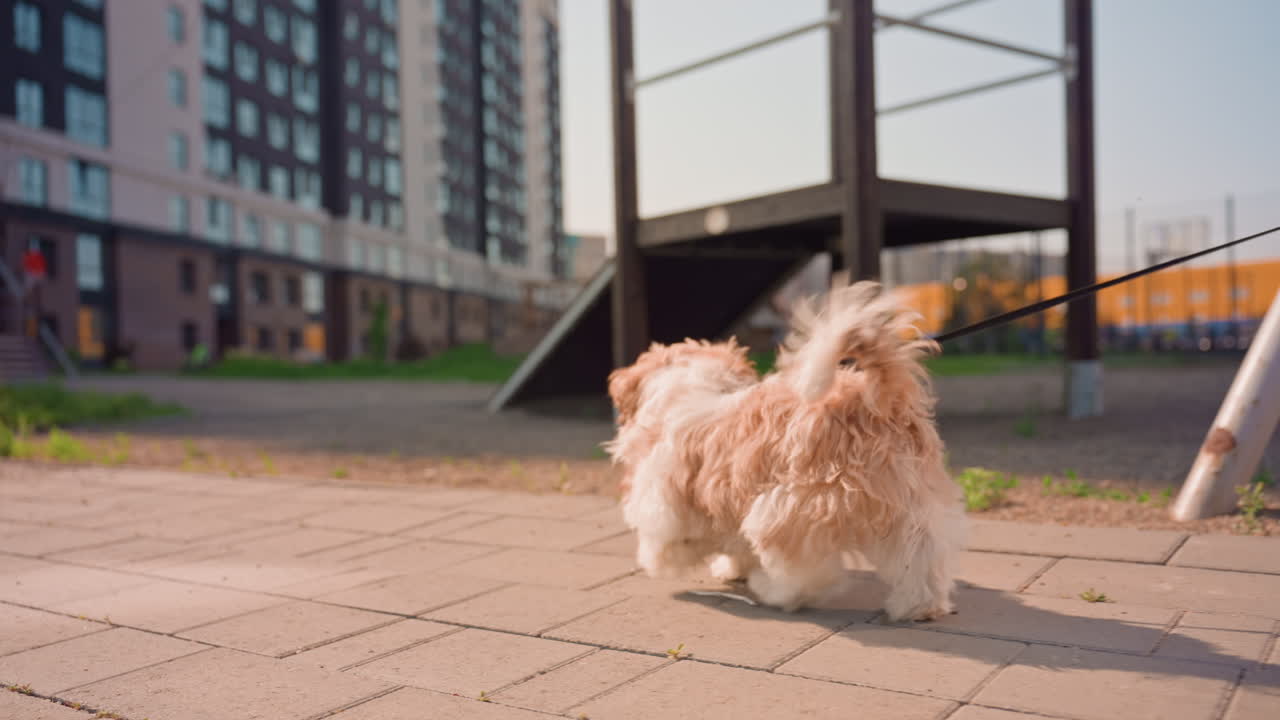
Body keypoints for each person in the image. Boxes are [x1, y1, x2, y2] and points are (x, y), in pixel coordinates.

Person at [20, 242, 46, 337]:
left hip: (33, 276)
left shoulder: (36, 259)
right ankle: (31, 333)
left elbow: (39, 272)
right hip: (32, 276)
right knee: (30, 315)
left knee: (32, 315)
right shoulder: (30, 258)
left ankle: (32, 333)